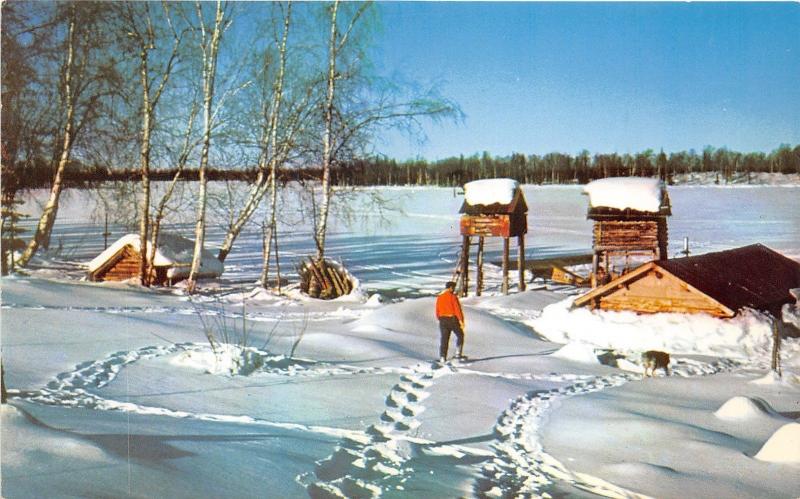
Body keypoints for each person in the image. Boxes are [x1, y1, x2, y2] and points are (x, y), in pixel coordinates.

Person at [435, 281, 465, 362]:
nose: (454, 289)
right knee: (460, 335)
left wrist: (440, 318)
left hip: (442, 320)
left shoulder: (440, 297)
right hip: (452, 319)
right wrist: (461, 320)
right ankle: (458, 354)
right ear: (451, 287)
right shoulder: (453, 297)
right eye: (453, 287)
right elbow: (457, 310)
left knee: (444, 339)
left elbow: (437, 311)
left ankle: (442, 357)